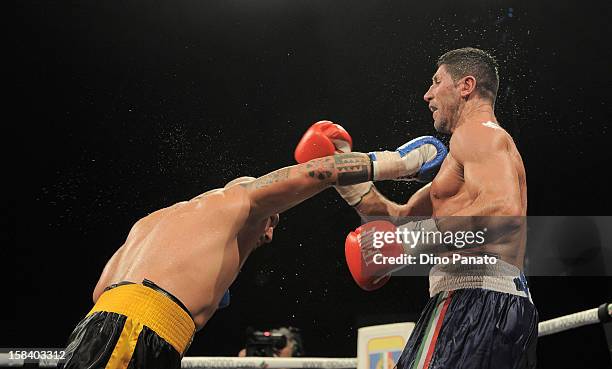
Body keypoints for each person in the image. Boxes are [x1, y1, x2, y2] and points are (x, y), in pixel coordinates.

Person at [58, 136, 446, 369]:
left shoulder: (152, 224)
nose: (271, 232)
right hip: (134, 337)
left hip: (106, 332)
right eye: (273, 219)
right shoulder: (240, 199)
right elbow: (318, 171)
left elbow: (101, 295)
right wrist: (401, 162)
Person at [296, 48, 537, 369]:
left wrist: (414, 240)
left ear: (466, 86)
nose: (428, 94)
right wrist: (340, 173)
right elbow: (393, 219)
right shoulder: (464, 161)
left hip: (475, 300)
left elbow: (502, 212)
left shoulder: (477, 133)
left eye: (437, 82)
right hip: (490, 303)